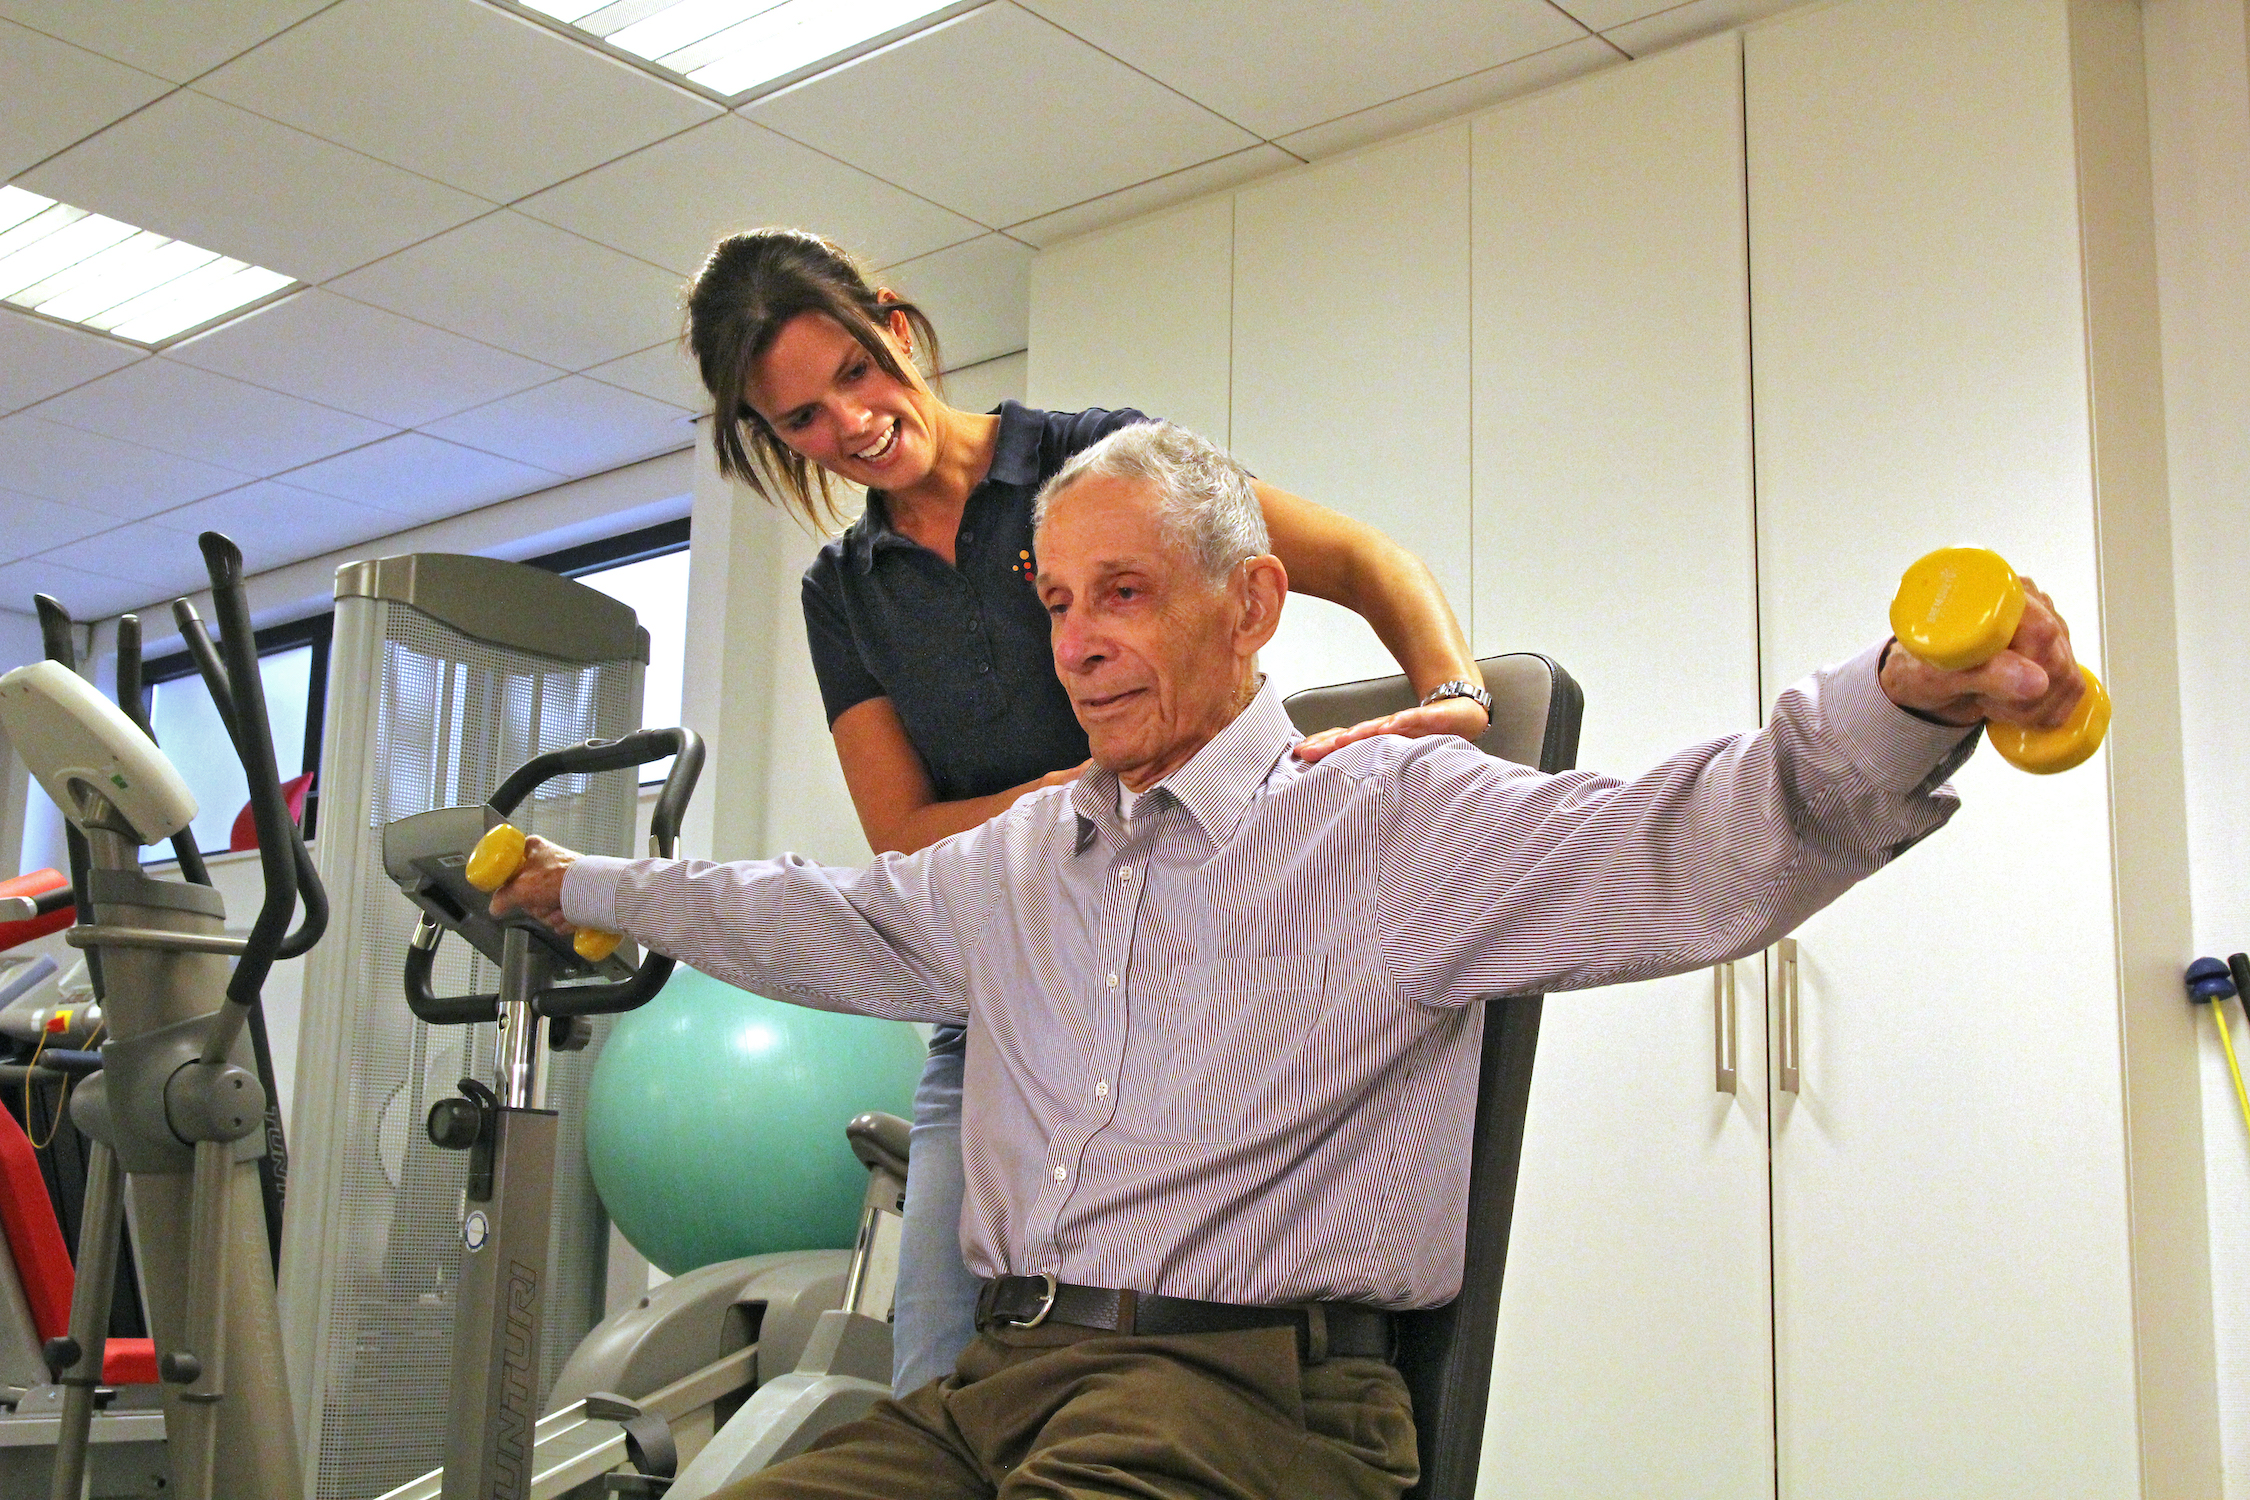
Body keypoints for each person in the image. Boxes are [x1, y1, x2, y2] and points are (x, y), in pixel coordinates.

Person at [492, 421, 2087, 1500]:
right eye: (1059, 603)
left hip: (1245, 1404)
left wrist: (1910, 697)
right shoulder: (1026, 856)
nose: (1076, 645)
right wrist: (588, 885)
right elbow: (819, 914)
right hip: (995, 1386)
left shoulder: (1388, 819)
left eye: (1123, 595)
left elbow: (1696, 837)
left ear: (1250, 605)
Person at [684, 228, 1496, 1395]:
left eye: (857, 372)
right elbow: (904, 836)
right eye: (804, 418)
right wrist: (1083, 792)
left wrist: (1455, 693)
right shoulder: (843, 595)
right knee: (938, 1377)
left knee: (1178, 1355)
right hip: (1002, 997)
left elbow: (1368, 559)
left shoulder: (1096, 460)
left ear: (897, 327)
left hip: (1187, 959)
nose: (852, 423)